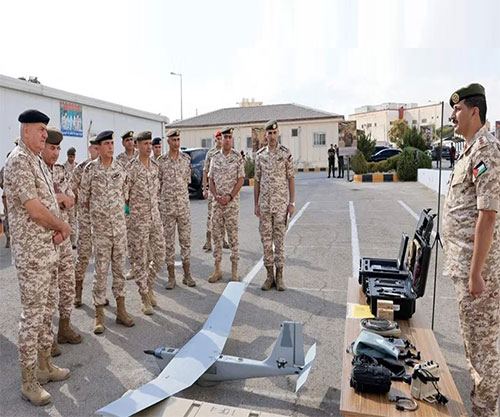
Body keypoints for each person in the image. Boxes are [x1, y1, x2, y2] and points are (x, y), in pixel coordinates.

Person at [5, 109, 71, 406]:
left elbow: (47, 203)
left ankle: (45, 366)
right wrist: (60, 225)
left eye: (46, 130)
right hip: (32, 255)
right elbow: (33, 209)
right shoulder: (18, 161)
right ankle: (28, 381)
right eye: (41, 130)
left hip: (48, 249)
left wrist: (57, 230)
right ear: (26, 131)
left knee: (46, 313)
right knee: (32, 317)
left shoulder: (36, 161)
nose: (45, 135)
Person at [443, 83, 500, 417]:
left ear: (474, 111)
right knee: (474, 349)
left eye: (458, 109)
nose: (453, 115)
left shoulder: (486, 150)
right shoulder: (470, 149)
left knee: (483, 355)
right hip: (464, 267)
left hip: (478, 273)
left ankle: (486, 412)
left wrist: (476, 273)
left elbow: (488, 214)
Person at [79, 130, 134, 334]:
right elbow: (84, 199)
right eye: (107, 144)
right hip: (101, 231)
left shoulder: (120, 168)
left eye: (112, 143)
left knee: (119, 270)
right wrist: (94, 222)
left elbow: (125, 194)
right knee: (101, 272)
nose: (111, 147)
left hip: (119, 229)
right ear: (99, 147)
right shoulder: (90, 170)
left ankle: (121, 310)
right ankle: (99, 315)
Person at [41, 127, 82, 355]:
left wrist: (63, 198)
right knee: (47, 291)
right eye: (51, 148)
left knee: (66, 283)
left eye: (58, 149)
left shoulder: (60, 171)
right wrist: (59, 199)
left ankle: (64, 328)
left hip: (64, 239)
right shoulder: (35, 170)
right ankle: (47, 340)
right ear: (43, 146)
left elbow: (72, 199)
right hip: (45, 240)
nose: (55, 153)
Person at [126, 131, 165, 314]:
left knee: (160, 255)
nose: (149, 147)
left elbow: (158, 193)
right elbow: (124, 197)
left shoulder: (156, 167)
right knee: (139, 260)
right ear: (137, 146)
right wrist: (129, 218)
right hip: (138, 221)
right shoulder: (131, 168)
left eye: (150, 144)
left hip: (155, 218)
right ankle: (144, 297)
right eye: (145, 144)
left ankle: (148, 286)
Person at [254, 120, 295, 291]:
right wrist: (256, 204)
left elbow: (290, 178)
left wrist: (291, 202)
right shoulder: (260, 155)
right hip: (264, 206)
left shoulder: (285, 154)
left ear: (278, 133)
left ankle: (280, 276)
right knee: (266, 242)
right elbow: (257, 181)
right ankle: (269, 276)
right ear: (265, 135)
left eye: (274, 133)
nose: (272, 136)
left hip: (280, 206)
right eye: (269, 133)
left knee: (279, 242)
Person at [158, 129, 195, 289]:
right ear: (168, 142)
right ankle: (171, 276)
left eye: (178, 139)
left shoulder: (186, 160)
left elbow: (187, 181)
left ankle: (187, 275)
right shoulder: (161, 161)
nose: (176, 143)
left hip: (183, 207)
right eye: (173, 140)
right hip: (167, 208)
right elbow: (158, 185)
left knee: (185, 241)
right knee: (168, 243)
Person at [208, 127, 245, 283]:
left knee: (233, 237)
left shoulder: (237, 157)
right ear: (220, 139)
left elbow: (241, 179)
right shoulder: (214, 157)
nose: (227, 139)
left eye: (230, 137)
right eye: (225, 137)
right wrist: (216, 196)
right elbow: (210, 179)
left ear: (232, 139)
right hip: (217, 204)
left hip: (231, 205)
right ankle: (217, 270)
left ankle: (234, 271)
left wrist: (230, 196)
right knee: (217, 237)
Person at [72, 137, 100, 307]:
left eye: (99, 148)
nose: (97, 151)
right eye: (95, 148)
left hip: (101, 221)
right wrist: (82, 199)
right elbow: (71, 186)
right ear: (90, 149)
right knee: (83, 255)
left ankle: (99, 293)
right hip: (85, 220)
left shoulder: (107, 167)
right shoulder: (81, 168)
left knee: (102, 257)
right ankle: (78, 290)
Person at [201, 131, 229, 252]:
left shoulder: (227, 153)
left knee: (223, 216)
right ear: (215, 140)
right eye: (217, 139)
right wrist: (204, 188)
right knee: (210, 216)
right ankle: (208, 241)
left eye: (220, 138)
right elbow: (205, 171)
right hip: (212, 190)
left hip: (223, 190)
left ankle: (223, 239)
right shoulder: (211, 153)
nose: (219, 141)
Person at [64, 147, 77, 248]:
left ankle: (74, 240)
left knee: (75, 219)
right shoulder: (63, 168)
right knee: (70, 218)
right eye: (70, 156)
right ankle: (69, 240)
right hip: (68, 197)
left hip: (77, 196)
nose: (71, 158)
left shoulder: (77, 167)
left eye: (73, 156)